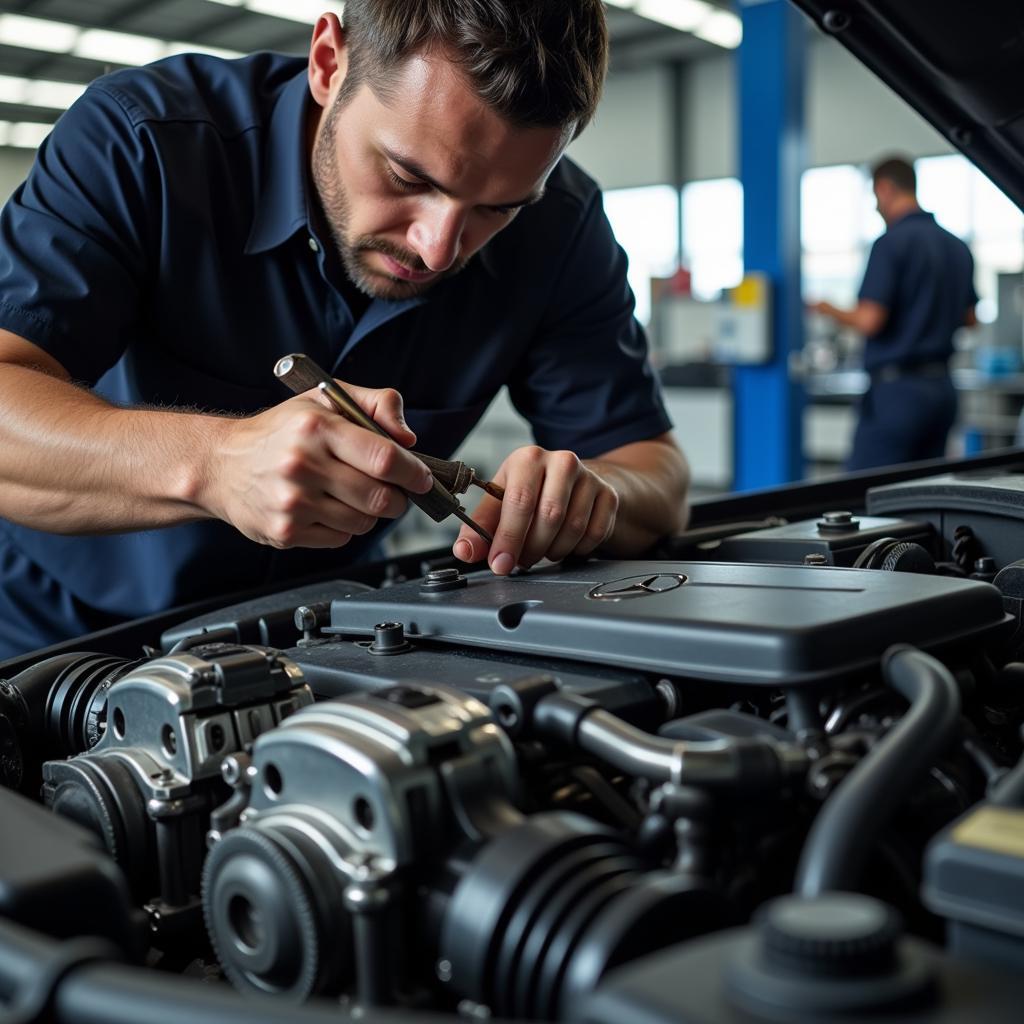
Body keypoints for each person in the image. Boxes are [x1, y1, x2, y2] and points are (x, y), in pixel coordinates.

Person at [0, 1, 689, 658]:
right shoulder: (142, 141)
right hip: (55, 647)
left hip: (336, 639)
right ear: (329, 62)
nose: (438, 248)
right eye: (405, 175)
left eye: (497, 210)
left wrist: (594, 497)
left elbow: (656, 476)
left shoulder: (562, 228)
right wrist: (213, 464)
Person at [809, 155, 977, 470]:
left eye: (875, 196)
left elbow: (870, 320)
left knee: (864, 494)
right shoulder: (957, 247)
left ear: (885, 188)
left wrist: (827, 308)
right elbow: (970, 320)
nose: (876, 206)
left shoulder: (891, 244)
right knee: (924, 495)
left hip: (898, 393)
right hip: (943, 391)